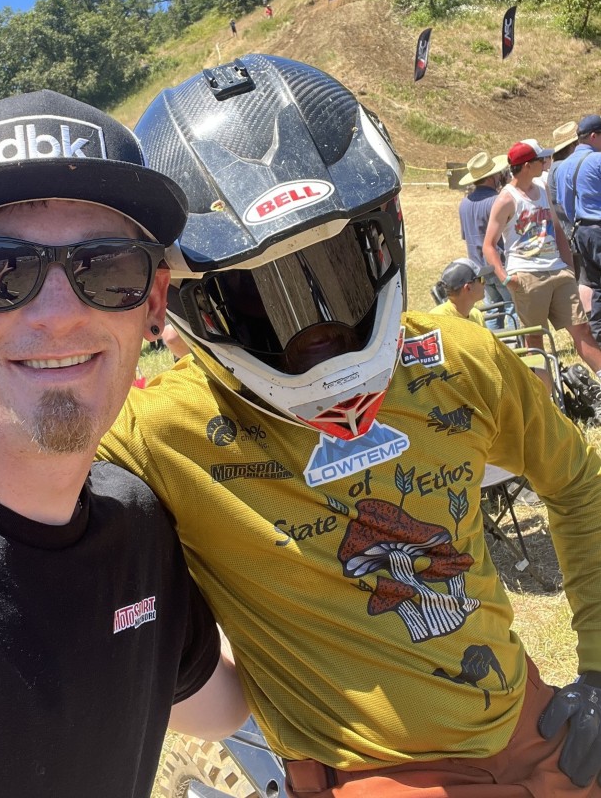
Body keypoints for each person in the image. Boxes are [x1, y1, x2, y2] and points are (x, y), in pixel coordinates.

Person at [99, 55, 601, 797]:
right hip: (371, 771)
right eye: (260, 300)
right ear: (182, 301)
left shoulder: (457, 356)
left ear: (386, 236)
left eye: (338, 275)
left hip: (529, 718)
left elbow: (578, 483)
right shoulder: (158, 431)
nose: (318, 335)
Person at [0, 90, 247, 797]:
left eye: (108, 268)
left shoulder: (139, 531)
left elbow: (219, 705)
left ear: (154, 304)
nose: (60, 313)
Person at [483, 137, 601, 383]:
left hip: (558, 271)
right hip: (526, 275)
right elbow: (489, 245)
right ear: (527, 165)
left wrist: (568, 267)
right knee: (534, 340)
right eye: (541, 159)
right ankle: (544, 395)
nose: (546, 161)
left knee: (582, 329)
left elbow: (556, 228)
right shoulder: (506, 199)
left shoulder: (542, 186)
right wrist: (506, 279)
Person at [556, 114, 601, 344]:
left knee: (595, 286)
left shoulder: (563, 167)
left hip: (582, 231)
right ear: (593, 136)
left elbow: (566, 205)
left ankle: (598, 337)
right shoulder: (598, 160)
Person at [457, 151, 513, 328]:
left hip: (478, 266)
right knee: (513, 307)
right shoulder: (497, 201)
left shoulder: (464, 203)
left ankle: (496, 342)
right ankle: (516, 343)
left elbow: (466, 236)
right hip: (500, 262)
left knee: (493, 309)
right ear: (491, 177)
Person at [547, 121, 593, 314]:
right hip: (574, 231)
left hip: (568, 233)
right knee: (586, 281)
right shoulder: (563, 167)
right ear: (573, 145)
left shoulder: (555, 167)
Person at [429, 258, 488, 325]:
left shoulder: (476, 315)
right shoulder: (437, 320)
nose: (485, 282)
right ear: (468, 288)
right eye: (481, 279)